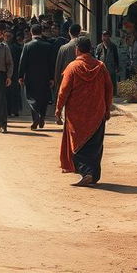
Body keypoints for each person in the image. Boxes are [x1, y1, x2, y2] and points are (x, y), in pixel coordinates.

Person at [56, 36, 113, 186]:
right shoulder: (101, 67)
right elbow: (109, 89)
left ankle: (86, 173)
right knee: (95, 145)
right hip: (97, 113)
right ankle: (92, 175)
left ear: (77, 50)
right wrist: (107, 109)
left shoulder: (72, 67)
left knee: (78, 144)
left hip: (77, 116)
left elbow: (64, 91)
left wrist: (58, 109)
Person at [18, 23, 55, 130]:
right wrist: (52, 77)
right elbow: (51, 63)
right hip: (45, 77)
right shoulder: (48, 46)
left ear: (31, 32)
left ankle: (36, 118)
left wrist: (20, 76)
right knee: (43, 98)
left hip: (30, 77)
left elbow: (22, 62)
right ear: (41, 32)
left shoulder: (27, 46)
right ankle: (42, 116)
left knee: (31, 98)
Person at [54, 22, 82, 89]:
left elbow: (58, 67)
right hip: (81, 82)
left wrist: (57, 83)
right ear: (79, 32)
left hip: (66, 81)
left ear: (69, 32)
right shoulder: (85, 47)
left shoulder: (64, 48)